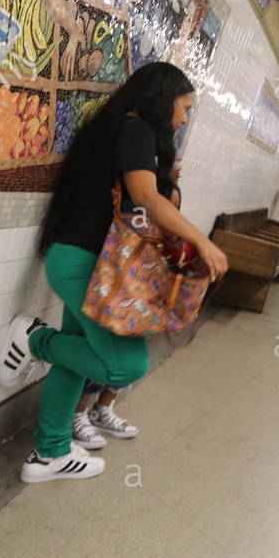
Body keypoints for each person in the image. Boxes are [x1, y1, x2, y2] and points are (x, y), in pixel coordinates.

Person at [0, 62, 228, 484]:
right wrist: (203, 242)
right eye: (185, 106)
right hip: (87, 263)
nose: (185, 116)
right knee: (126, 366)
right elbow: (145, 197)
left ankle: (48, 454)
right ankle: (32, 338)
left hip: (79, 259)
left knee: (76, 359)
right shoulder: (136, 131)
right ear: (164, 97)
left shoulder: (116, 127)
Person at [69, 182, 186, 449]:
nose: (173, 212)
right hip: (114, 300)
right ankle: (78, 414)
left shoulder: (168, 239)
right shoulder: (131, 228)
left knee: (130, 354)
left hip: (140, 309)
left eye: (177, 207)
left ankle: (102, 409)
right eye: (169, 206)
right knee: (102, 354)